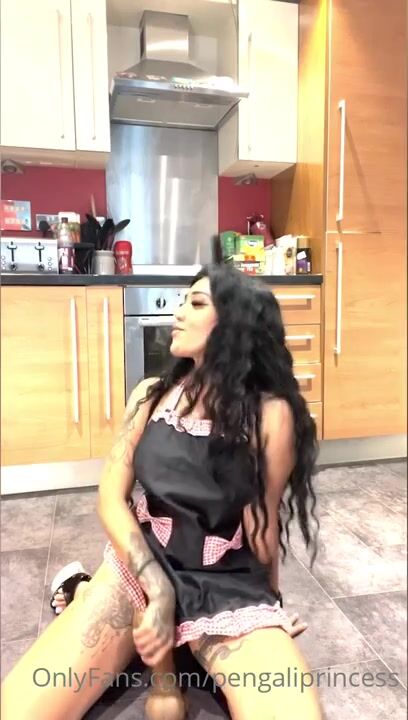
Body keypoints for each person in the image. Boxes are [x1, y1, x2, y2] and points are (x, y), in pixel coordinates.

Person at [1, 264, 322, 720]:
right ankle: (102, 600)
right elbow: (110, 498)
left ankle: (160, 635)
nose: (178, 312)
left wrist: (271, 606)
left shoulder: (271, 415)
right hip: (139, 570)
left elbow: (261, 528)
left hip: (225, 584)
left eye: (196, 303)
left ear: (235, 323)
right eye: (182, 301)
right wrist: (157, 588)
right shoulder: (150, 395)